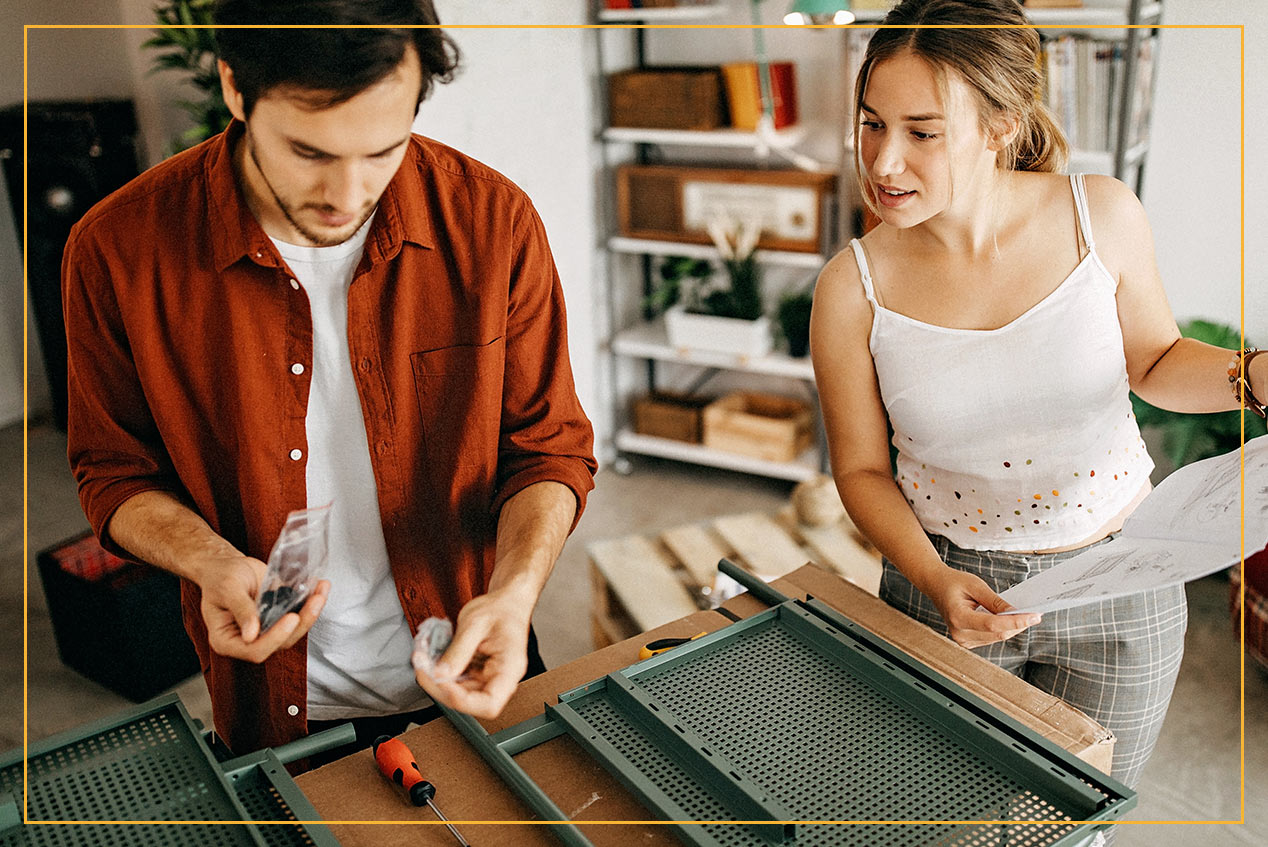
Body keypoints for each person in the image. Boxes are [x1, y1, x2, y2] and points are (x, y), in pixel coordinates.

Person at [62, 0, 596, 759]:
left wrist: (513, 594)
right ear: (235, 90)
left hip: (477, 671)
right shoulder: (116, 250)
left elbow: (548, 451)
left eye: (384, 151)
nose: (348, 196)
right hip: (275, 705)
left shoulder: (493, 223)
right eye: (310, 153)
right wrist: (207, 560)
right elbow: (113, 471)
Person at [811, 0, 1266, 815]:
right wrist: (933, 579)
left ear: (1000, 126)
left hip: (1125, 576)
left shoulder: (1102, 216)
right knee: (937, 818)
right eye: (872, 123)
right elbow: (860, 468)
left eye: (922, 131)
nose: (883, 160)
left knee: (1078, 821)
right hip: (943, 580)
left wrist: (1254, 374)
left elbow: (1155, 361)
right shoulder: (853, 287)